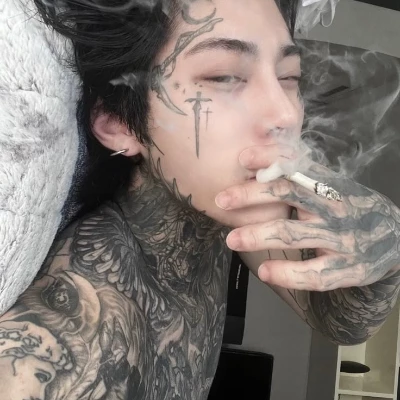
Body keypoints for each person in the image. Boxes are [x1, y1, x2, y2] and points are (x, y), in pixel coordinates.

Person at [1, 0, 400, 399]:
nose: (286, 115)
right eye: (225, 76)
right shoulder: (71, 345)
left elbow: (341, 321)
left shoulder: (221, 217)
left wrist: (390, 244)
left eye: (289, 76)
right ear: (119, 122)